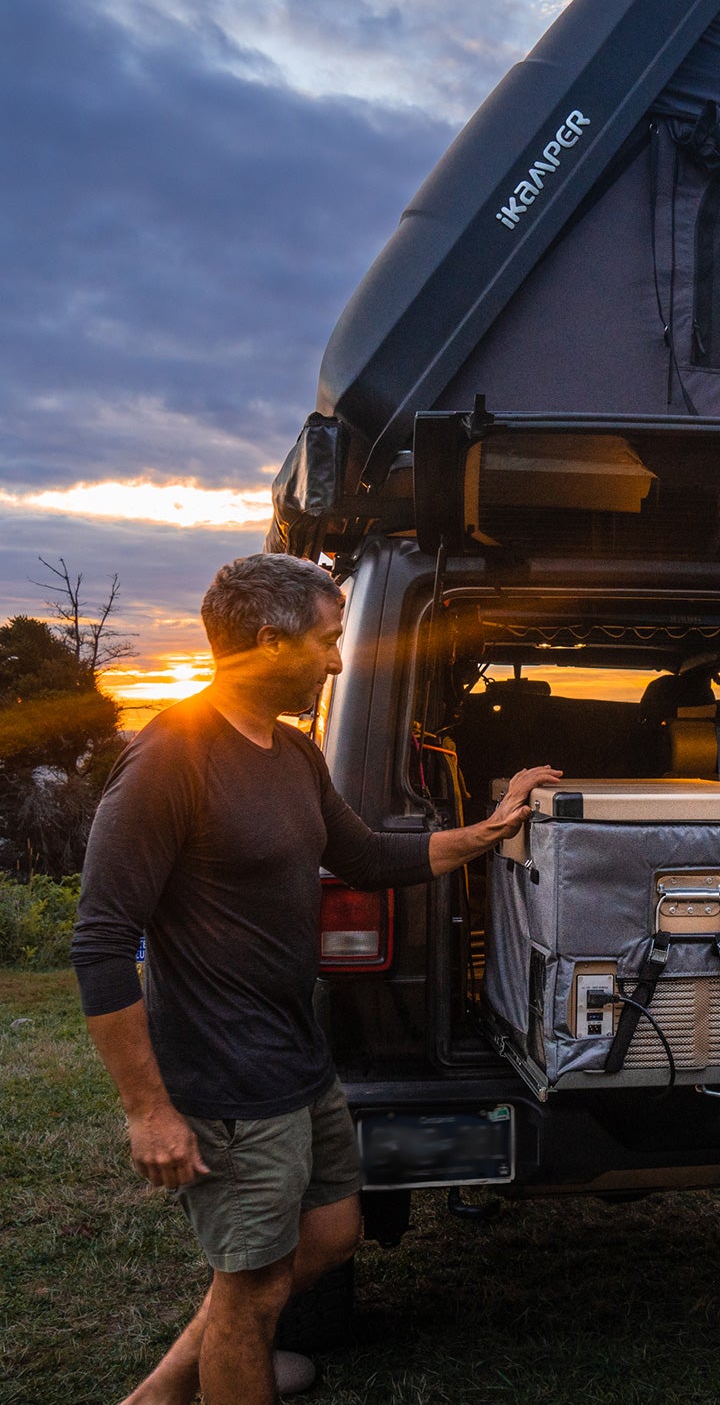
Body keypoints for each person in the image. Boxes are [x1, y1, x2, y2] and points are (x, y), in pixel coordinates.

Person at [71, 553, 559, 1405]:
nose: (338, 660)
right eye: (328, 641)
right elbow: (100, 943)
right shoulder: (169, 761)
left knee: (329, 1238)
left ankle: (160, 1393)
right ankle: (219, 1371)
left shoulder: (292, 752)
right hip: (227, 1077)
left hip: (299, 1060)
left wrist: (493, 829)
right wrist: (148, 1109)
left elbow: (367, 855)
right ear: (268, 640)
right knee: (253, 1291)